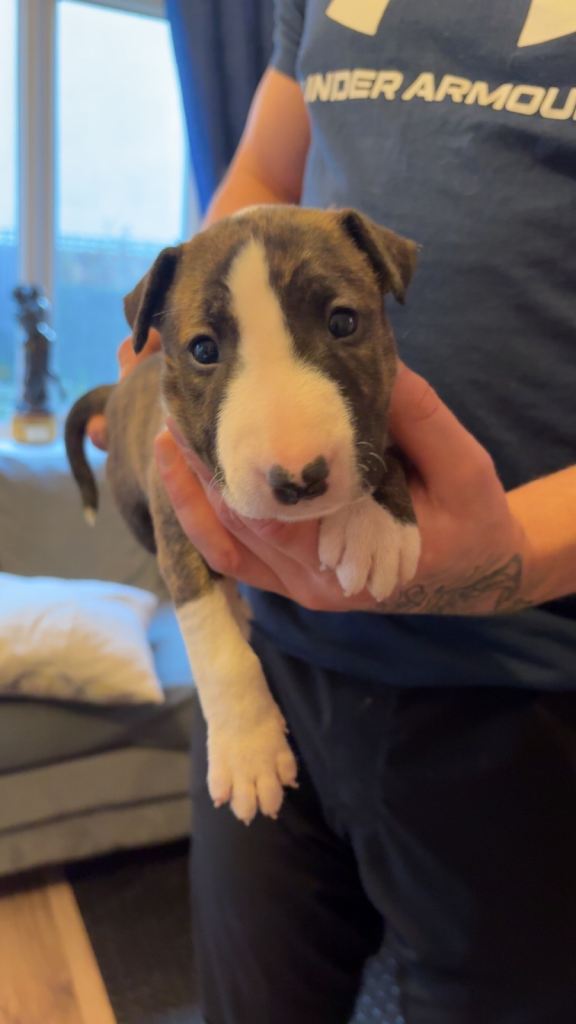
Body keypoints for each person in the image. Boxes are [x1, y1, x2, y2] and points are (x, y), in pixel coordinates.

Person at [90, 3, 576, 1021]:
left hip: (522, 672)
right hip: (275, 650)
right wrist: (173, 371)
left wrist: (516, 555)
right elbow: (262, 181)